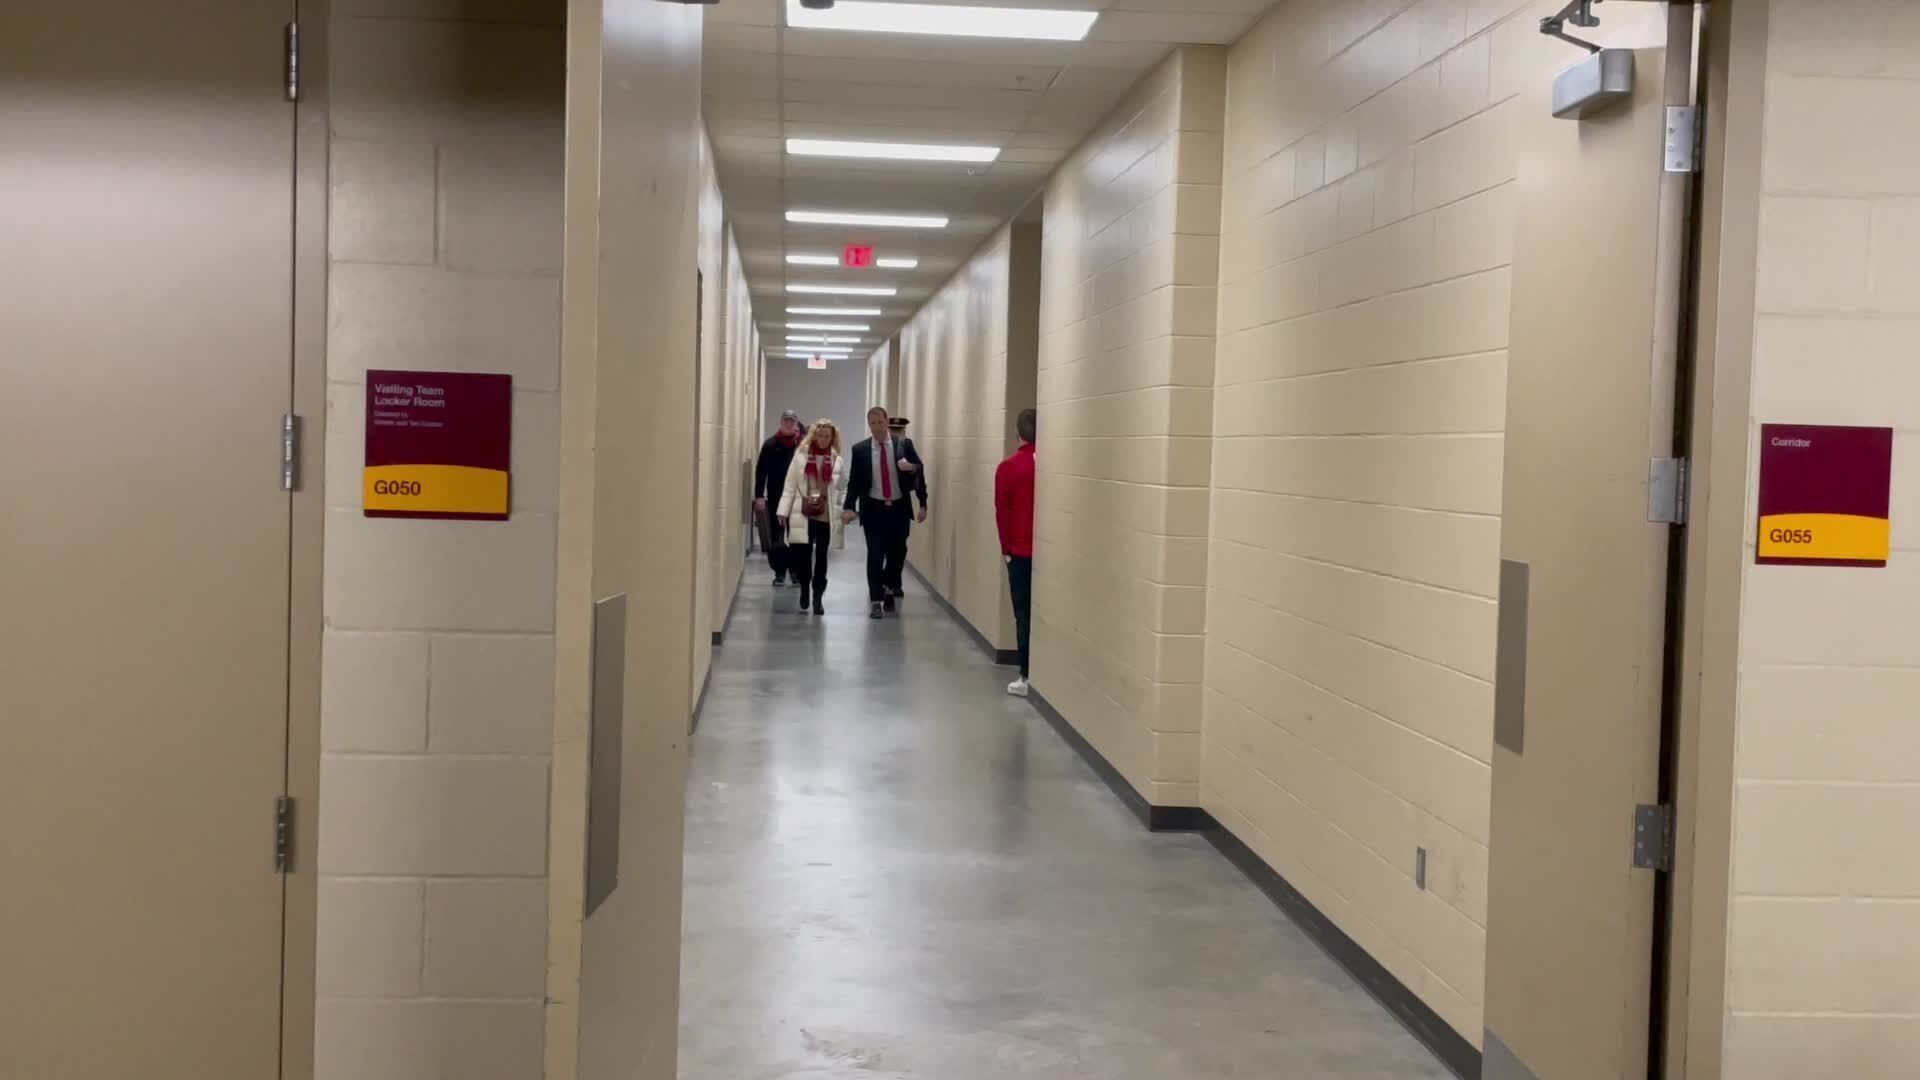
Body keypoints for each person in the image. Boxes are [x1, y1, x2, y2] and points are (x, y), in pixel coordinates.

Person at [841, 406, 927, 620]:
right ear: (869, 425)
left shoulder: (903, 445)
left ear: (887, 422)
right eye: (873, 424)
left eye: (880, 422)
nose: (877, 428)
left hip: (898, 508)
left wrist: (922, 499)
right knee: (875, 554)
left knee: (898, 554)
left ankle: (890, 584)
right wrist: (849, 507)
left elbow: (919, 469)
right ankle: (875, 600)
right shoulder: (860, 450)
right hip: (874, 509)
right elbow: (854, 482)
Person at [775, 418, 846, 615]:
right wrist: (783, 510)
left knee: (822, 556)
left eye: (827, 436)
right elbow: (789, 485)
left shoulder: (837, 460)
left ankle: (818, 596)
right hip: (802, 511)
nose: (823, 440)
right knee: (803, 556)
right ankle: (805, 588)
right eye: (820, 435)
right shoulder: (800, 457)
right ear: (813, 436)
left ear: (832, 438)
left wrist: (844, 510)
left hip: (825, 513)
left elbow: (842, 488)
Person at [995, 408, 1037, 697]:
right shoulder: (1048, 464)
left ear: (1017, 433)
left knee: (1023, 614)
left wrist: (1006, 550)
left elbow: (1003, 512)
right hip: (1044, 550)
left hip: (1020, 550)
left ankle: (1026, 674)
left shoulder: (1009, 467)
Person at [754, 410, 805, 586]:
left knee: (797, 535)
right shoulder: (770, 445)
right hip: (777, 497)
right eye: (786, 421)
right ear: (781, 423)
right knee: (777, 536)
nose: (789, 424)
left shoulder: (804, 445)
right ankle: (779, 572)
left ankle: (795, 571)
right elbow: (761, 472)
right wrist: (759, 496)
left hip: (799, 499)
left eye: (792, 421)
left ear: (797, 424)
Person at [884, 416, 929, 601]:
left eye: (898, 431)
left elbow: (920, 472)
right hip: (881, 505)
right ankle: (888, 581)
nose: (895, 434)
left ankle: (894, 582)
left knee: (900, 547)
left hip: (901, 505)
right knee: (885, 547)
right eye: (892, 430)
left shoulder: (906, 446)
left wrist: (923, 503)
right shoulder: (879, 447)